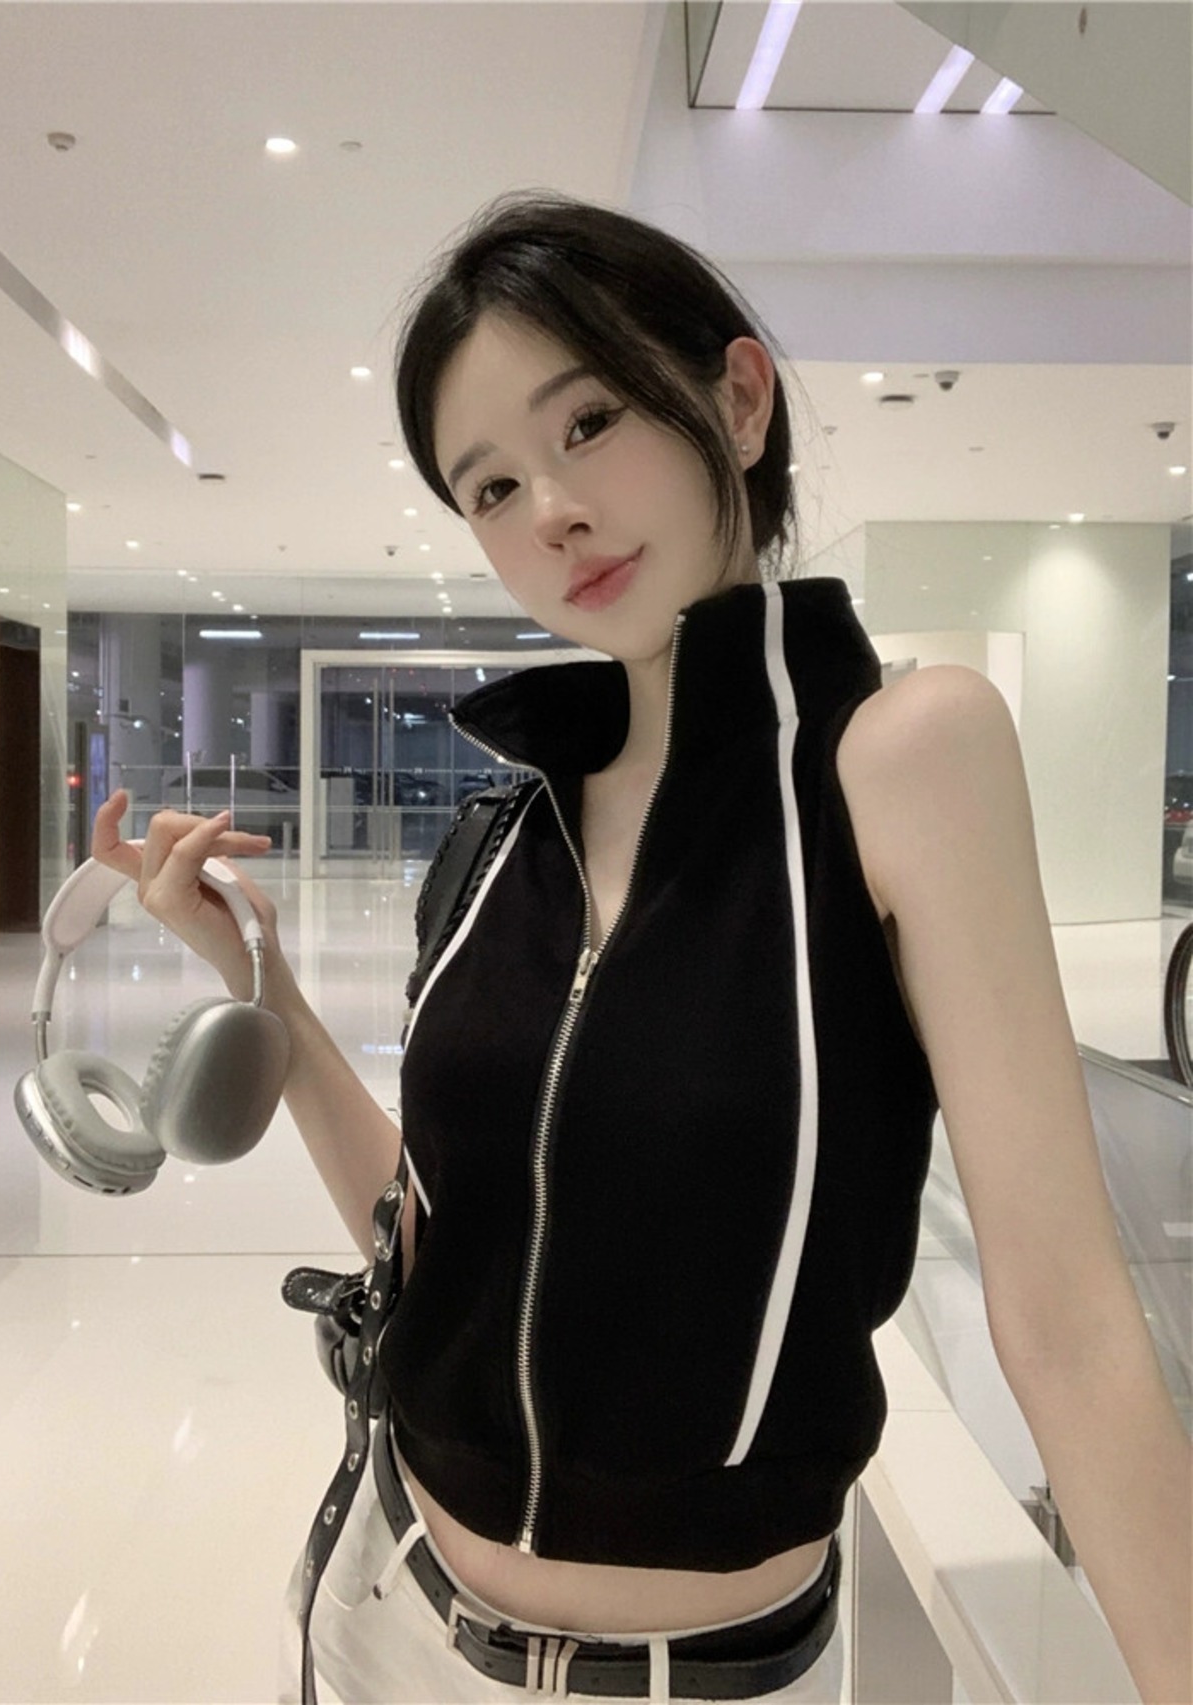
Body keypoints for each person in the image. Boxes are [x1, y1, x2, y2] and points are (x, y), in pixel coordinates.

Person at [92, 192, 1192, 1705]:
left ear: (737, 400)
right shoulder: (503, 836)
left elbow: (1066, 1317)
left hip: (706, 1675)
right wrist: (259, 978)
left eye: (590, 420)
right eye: (490, 485)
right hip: (388, 1610)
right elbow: (430, 1238)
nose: (550, 508)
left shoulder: (897, 762)